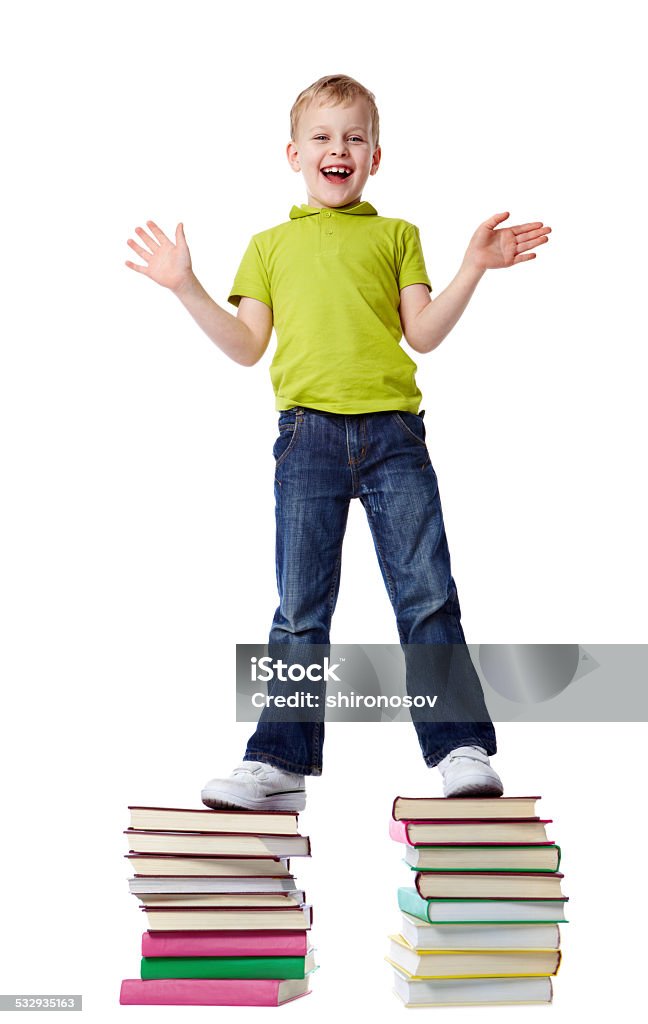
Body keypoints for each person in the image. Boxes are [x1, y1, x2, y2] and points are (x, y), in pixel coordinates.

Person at [125, 74, 550, 812]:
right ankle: (279, 760)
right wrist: (185, 286)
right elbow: (245, 346)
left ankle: (458, 747)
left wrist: (473, 267)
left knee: (426, 596)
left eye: (354, 137)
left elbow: (423, 333)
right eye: (323, 137)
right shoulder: (268, 247)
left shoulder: (396, 236)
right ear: (294, 153)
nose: (338, 149)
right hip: (307, 439)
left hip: (393, 436)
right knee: (300, 609)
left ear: (376, 157)